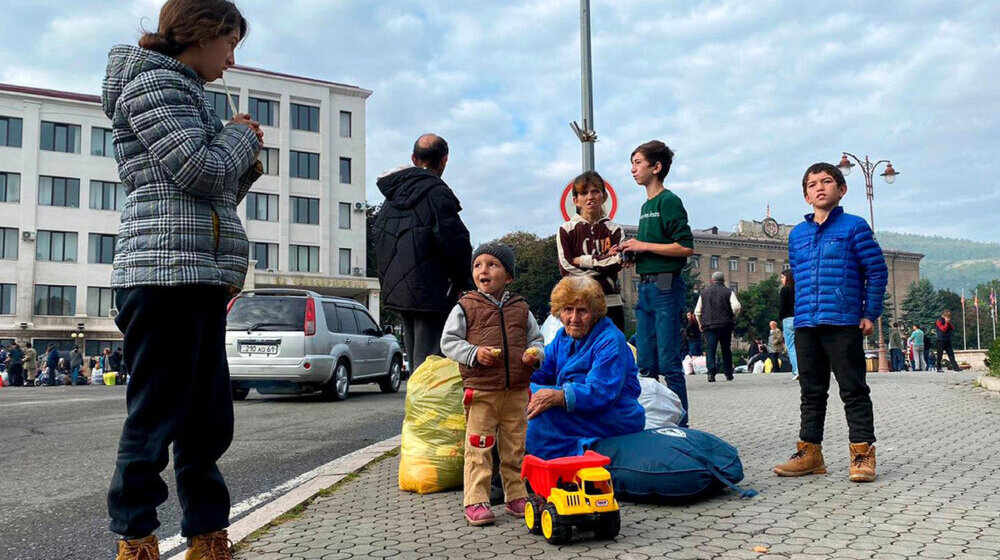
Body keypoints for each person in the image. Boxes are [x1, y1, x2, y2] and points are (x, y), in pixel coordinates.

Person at [103, 1, 264, 557]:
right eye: (230, 43)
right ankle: (137, 538)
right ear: (202, 32)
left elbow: (212, 191)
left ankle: (207, 535)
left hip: (197, 272)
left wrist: (240, 156)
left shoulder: (190, 91)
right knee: (155, 417)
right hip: (160, 272)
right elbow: (198, 169)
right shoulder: (149, 82)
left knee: (206, 419)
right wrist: (239, 139)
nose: (232, 57)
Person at [774, 162, 887, 483]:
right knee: (811, 391)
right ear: (805, 195)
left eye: (827, 181)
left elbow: (877, 272)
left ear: (842, 189)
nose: (819, 188)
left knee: (853, 389)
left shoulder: (855, 227)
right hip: (806, 322)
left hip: (843, 321)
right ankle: (810, 453)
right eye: (812, 184)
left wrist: (869, 313)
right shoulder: (797, 235)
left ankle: (862, 454)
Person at [440, 243, 544, 526]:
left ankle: (516, 495)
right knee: (479, 445)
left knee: (515, 447)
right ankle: (476, 499)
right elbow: (448, 342)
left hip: (517, 390)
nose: (483, 270)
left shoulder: (521, 308)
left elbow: (537, 339)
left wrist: (535, 355)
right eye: (477, 265)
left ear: (508, 276)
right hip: (482, 389)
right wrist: (474, 354)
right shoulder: (466, 306)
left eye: (492, 264)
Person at [374, 134, 474, 375]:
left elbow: (380, 242)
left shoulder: (391, 198)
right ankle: (425, 412)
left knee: (417, 363)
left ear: (414, 158)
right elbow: (455, 242)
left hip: (400, 291)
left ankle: (416, 409)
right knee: (431, 366)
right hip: (433, 291)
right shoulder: (437, 192)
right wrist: (465, 282)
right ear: (444, 160)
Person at [612, 140, 693, 426]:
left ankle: (681, 427)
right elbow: (655, 246)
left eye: (638, 163)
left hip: (665, 287)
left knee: (670, 363)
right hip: (645, 286)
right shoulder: (646, 205)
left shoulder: (669, 201)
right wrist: (631, 253)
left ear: (656, 167)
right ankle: (651, 422)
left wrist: (643, 245)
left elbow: (685, 247)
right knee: (645, 363)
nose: (632, 169)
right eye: (631, 163)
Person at [526, 276, 646, 459]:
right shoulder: (563, 337)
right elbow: (542, 371)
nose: (574, 318)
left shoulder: (610, 339)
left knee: (536, 420)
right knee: (519, 398)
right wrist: (522, 372)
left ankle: (565, 464)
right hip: (576, 409)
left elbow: (601, 392)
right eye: (568, 310)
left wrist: (558, 396)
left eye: (582, 311)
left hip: (614, 412)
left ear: (595, 313)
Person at [556, 170, 625, 332]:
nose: (590, 197)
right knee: (581, 353)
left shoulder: (614, 230)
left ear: (604, 196)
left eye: (595, 191)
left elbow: (618, 261)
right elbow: (566, 267)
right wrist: (604, 261)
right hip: (578, 305)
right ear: (575, 200)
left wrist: (583, 260)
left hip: (611, 302)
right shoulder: (566, 230)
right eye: (584, 193)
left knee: (614, 350)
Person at [694, 271, 742, 382]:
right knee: (726, 349)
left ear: (712, 280)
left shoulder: (704, 293)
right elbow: (737, 306)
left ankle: (711, 374)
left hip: (709, 326)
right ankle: (728, 373)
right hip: (725, 325)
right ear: (723, 280)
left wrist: (700, 323)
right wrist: (733, 316)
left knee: (711, 349)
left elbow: (697, 311)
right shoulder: (728, 292)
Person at [779, 269, 799, 379]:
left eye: (782, 278)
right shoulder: (798, 289)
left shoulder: (784, 290)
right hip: (800, 318)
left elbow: (782, 307)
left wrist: (780, 317)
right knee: (801, 345)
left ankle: (797, 370)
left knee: (791, 346)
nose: (781, 280)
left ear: (788, 278)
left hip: (788, 319)